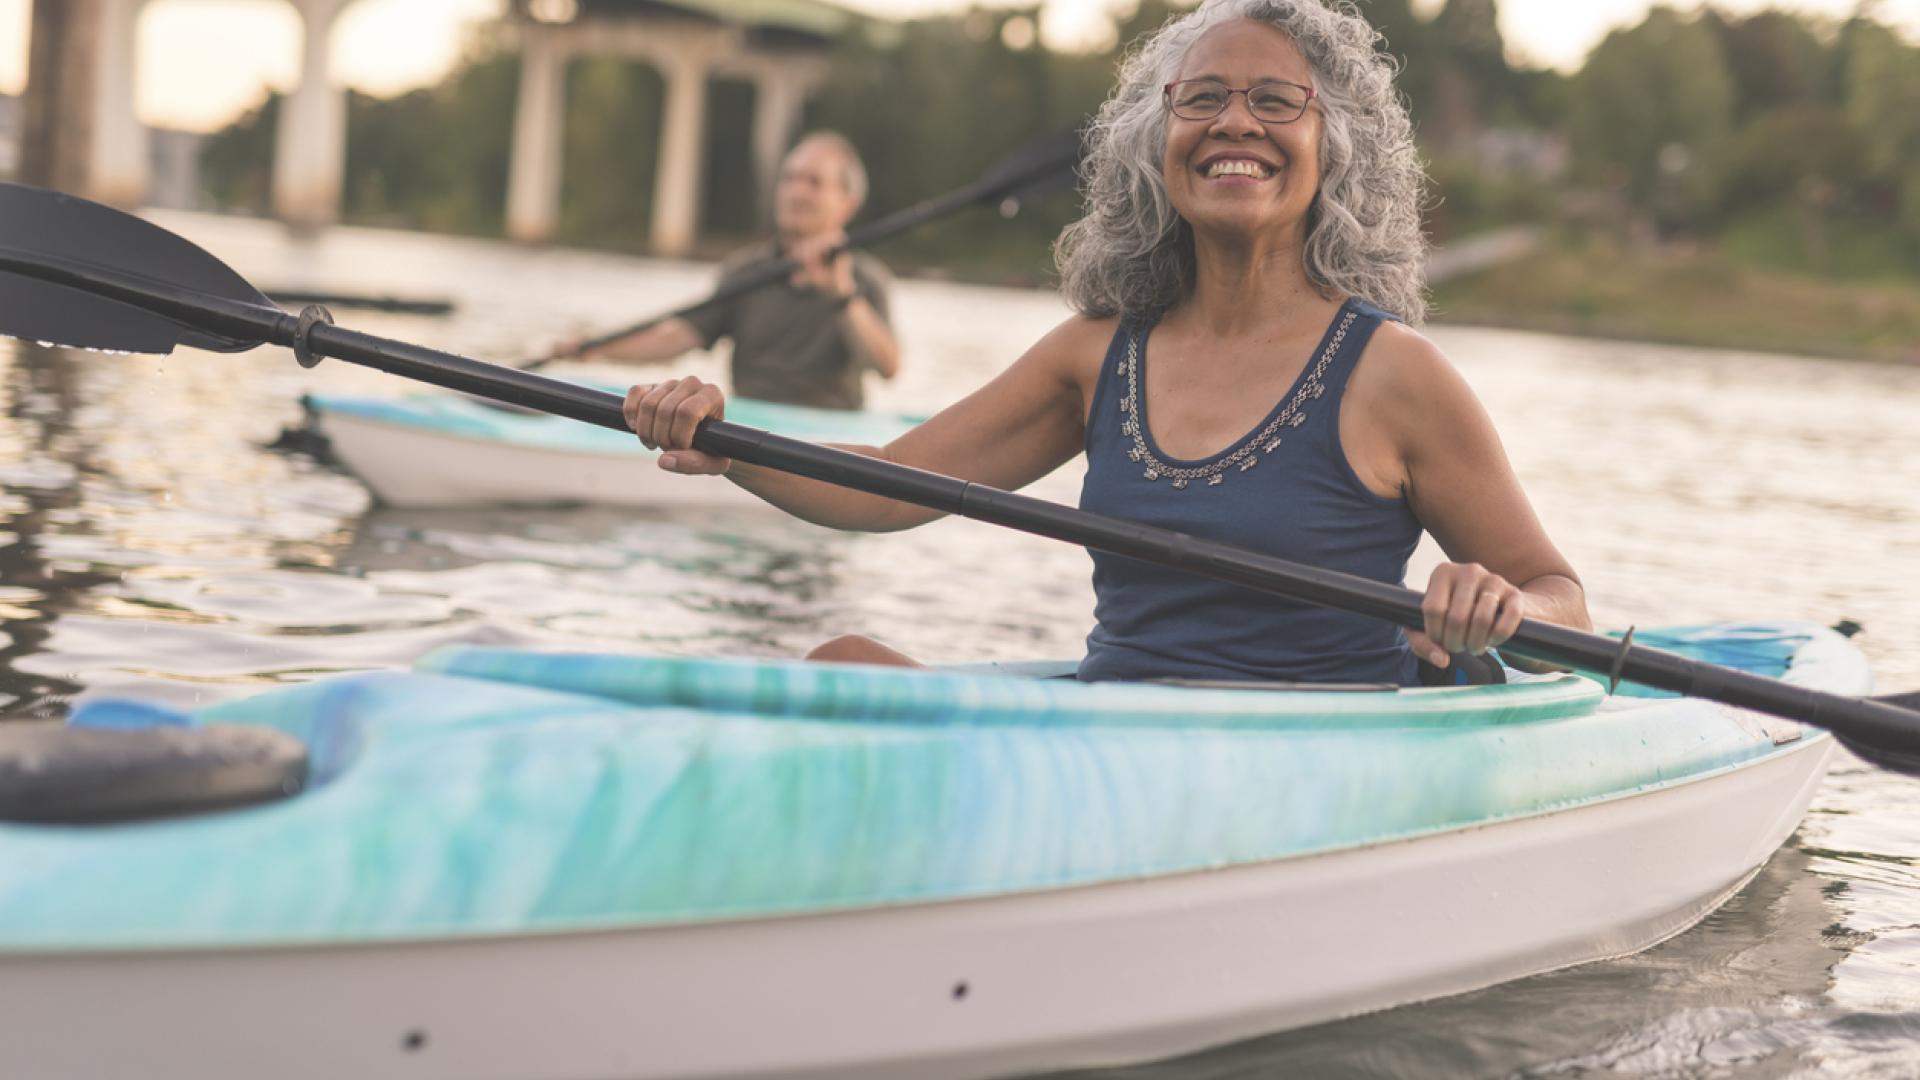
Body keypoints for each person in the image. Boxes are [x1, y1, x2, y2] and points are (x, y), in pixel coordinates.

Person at [623, 0, 1593, 684]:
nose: (1233, 123)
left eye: (1275, 100)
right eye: (1201, 97)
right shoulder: (1094, 357)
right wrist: (727, 441)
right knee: (838, 668)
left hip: (1305, 755)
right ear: (1153, 141)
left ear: (1335, 146)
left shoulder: (1395, 373)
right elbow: (880, 488)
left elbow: (1562, 598)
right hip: (1120, 735)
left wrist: (1500, 607)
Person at [553, 131, 901, 411]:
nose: (797, 191)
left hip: (830, 432)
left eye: (814, 182)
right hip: (751, 421)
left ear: (847, 203)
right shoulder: (746, 270)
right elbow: (677, 336)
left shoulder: (867, 279)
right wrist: (595, 347)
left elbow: (887, 367)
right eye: (790, 179)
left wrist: (841, 296)